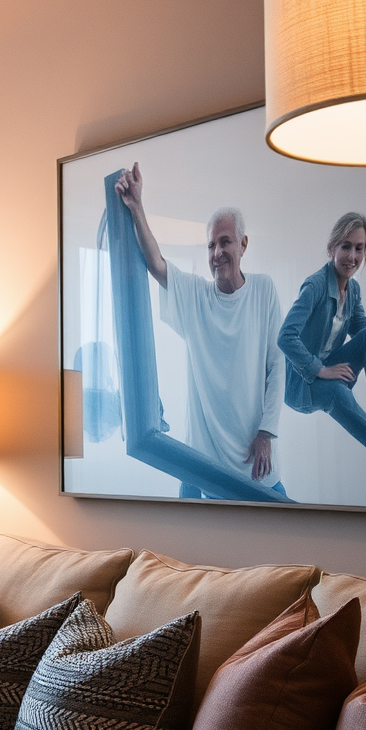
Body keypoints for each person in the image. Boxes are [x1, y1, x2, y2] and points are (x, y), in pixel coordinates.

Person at [114, 162, 285, 494]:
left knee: (287, 534)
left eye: (225, 242)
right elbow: (156, 263)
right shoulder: (196, 295)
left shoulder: (264, 291)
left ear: (243, 245)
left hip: (255, 459)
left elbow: (278, 367)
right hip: (201, 462)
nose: (218, 252)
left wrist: (267, 432)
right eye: (211, 245)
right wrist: (136, 207)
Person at [277, 212, 366, 481]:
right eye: (346, 246)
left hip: (327, 371)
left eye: (359, 249)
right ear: (332, 248)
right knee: (339, 395)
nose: (352, 256)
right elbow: (285, 336)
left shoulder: (353, 291)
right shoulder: (315, 286)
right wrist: (319, 369)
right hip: (300, 384)